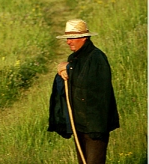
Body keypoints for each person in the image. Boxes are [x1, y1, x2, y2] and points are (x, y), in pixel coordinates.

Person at [48, 19, 119, 164]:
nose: (68, 42)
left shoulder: (97, 57)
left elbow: (91, 85)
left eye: (72, 38)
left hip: (95, 126)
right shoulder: (75, 58)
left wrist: (66, 69)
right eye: (68, 38)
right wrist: (64, 69)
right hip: (79, 124)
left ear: (84, 38)